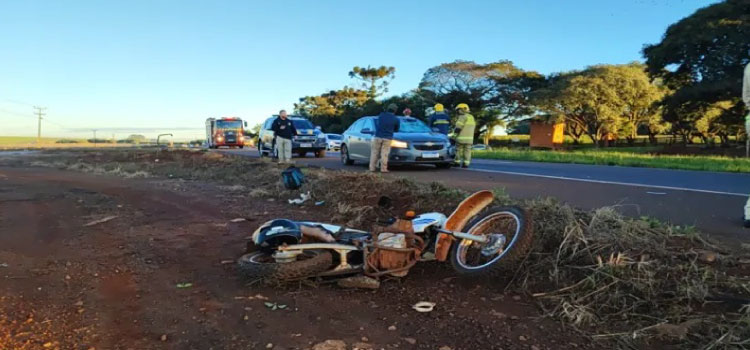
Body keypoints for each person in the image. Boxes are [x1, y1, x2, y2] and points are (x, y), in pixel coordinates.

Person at [370, 103, 400, 173]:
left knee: (374, 153)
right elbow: (397, 129)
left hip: (378, 136)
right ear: (395, 110)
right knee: (384, 153)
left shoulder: (381, 115)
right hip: (388, 137)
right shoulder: (396, 119)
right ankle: (383, 169)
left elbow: (378, 123)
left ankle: (372, 168)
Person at [453, 103, 475, 168]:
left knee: (458, 150)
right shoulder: (471, 117)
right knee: (468, 151)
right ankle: (466, 164)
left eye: (458, 110)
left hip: (461, 138)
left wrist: (454, 135)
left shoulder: (462, 117)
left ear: (462, 109)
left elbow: (458, 128)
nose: (458, 111)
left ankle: (457, 162)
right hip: (470, 139)